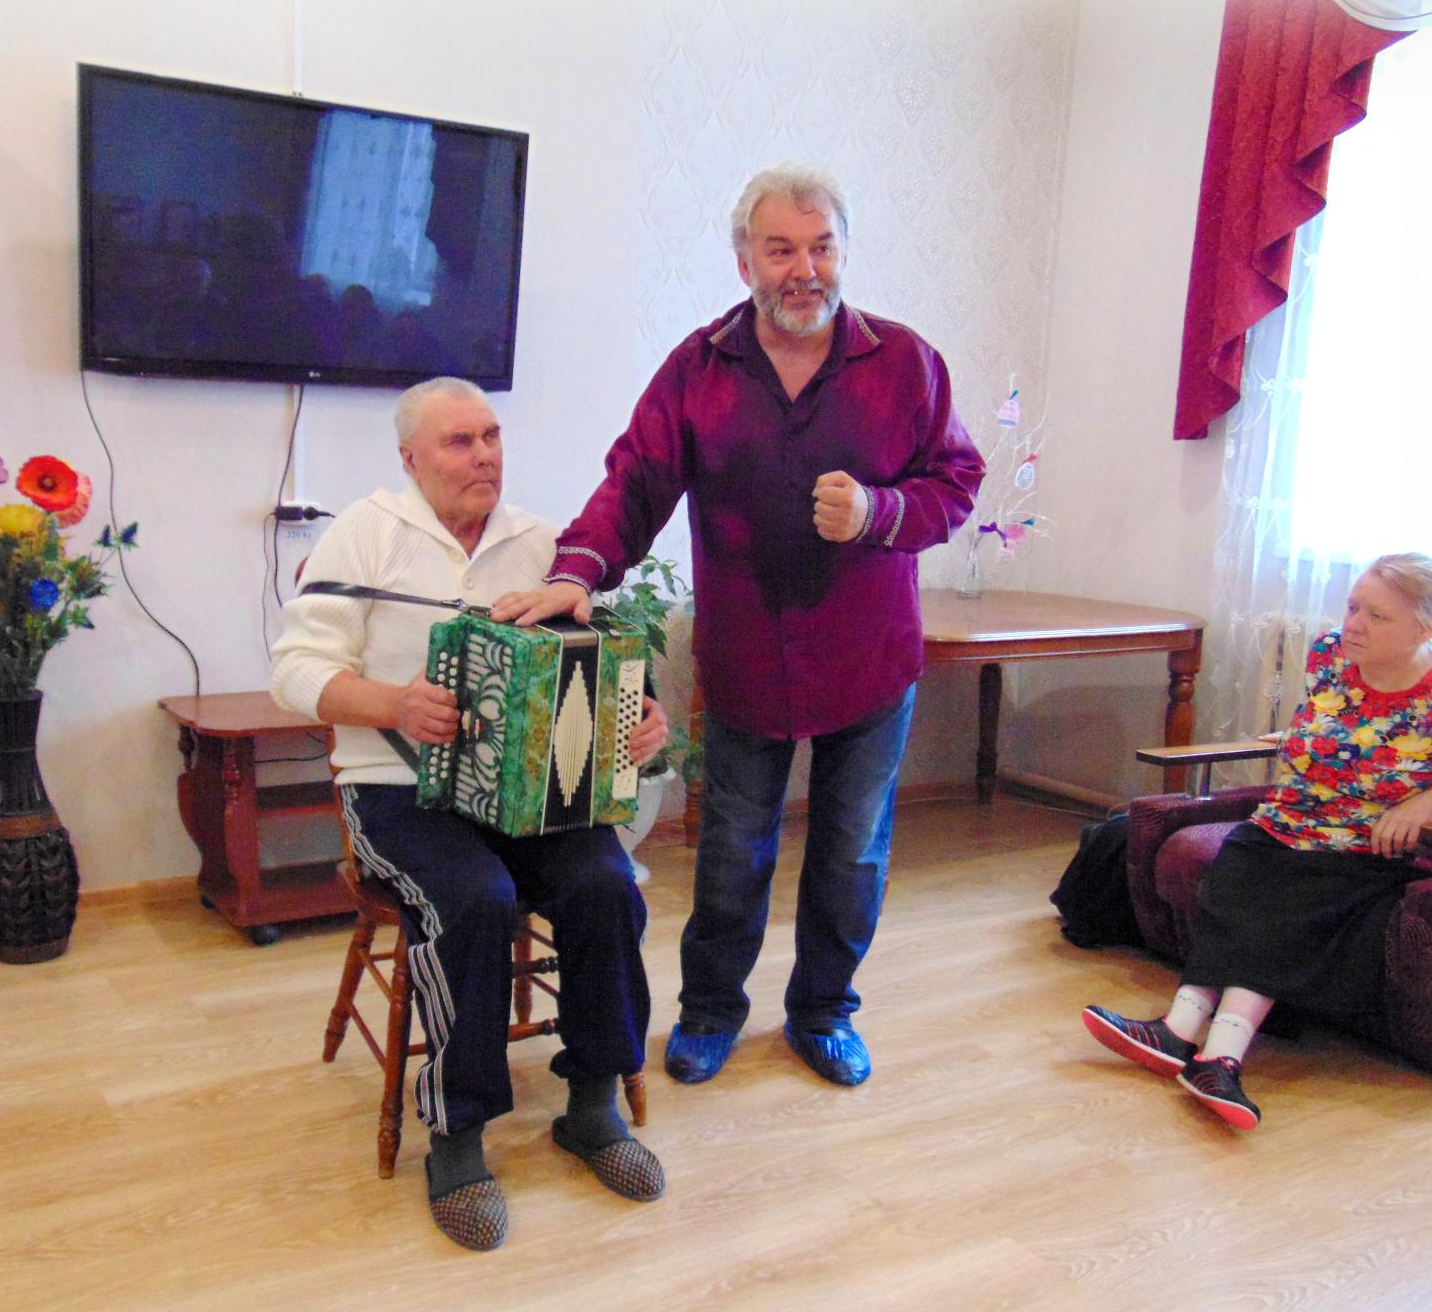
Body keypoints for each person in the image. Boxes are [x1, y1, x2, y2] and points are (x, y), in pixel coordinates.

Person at [492, 165, 984, 1089]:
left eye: (822, 247)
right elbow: (636, 481)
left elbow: (956, 483)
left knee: (852, 853)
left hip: (869, 660)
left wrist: (878, 511)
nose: (805, 270)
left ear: (844, 252)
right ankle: (711, 1011)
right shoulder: (697, 368)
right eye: (781, 249)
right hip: (748, 657)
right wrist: (575, 572)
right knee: (731, 851)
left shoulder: (906, 362)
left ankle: (824, 1012)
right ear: (744, 259)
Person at [270, 377, 671, 1251]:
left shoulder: (542, 544)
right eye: (460, 441)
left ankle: (593, 1107)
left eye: (491, 436)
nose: (484, 454)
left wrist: (638, 723)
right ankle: (456, 1138)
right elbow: (293, 671)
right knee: (475, 899)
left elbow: (592, 657)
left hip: (529, 794)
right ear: (411, 457)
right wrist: (393, 705)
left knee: (607, 885)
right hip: (394, 785)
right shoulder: (366, 531)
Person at [1083, 553, 1432, 1130]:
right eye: (1353, 607)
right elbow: (1332, 728)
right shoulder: (1331, 655)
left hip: (1369, 850)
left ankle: (1214, 1051)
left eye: (1377, 617)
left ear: (1426, 629)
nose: (1353, 624)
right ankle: (1183, 1037)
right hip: (1287, 826)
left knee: (1289, 894)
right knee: (1245, 862)